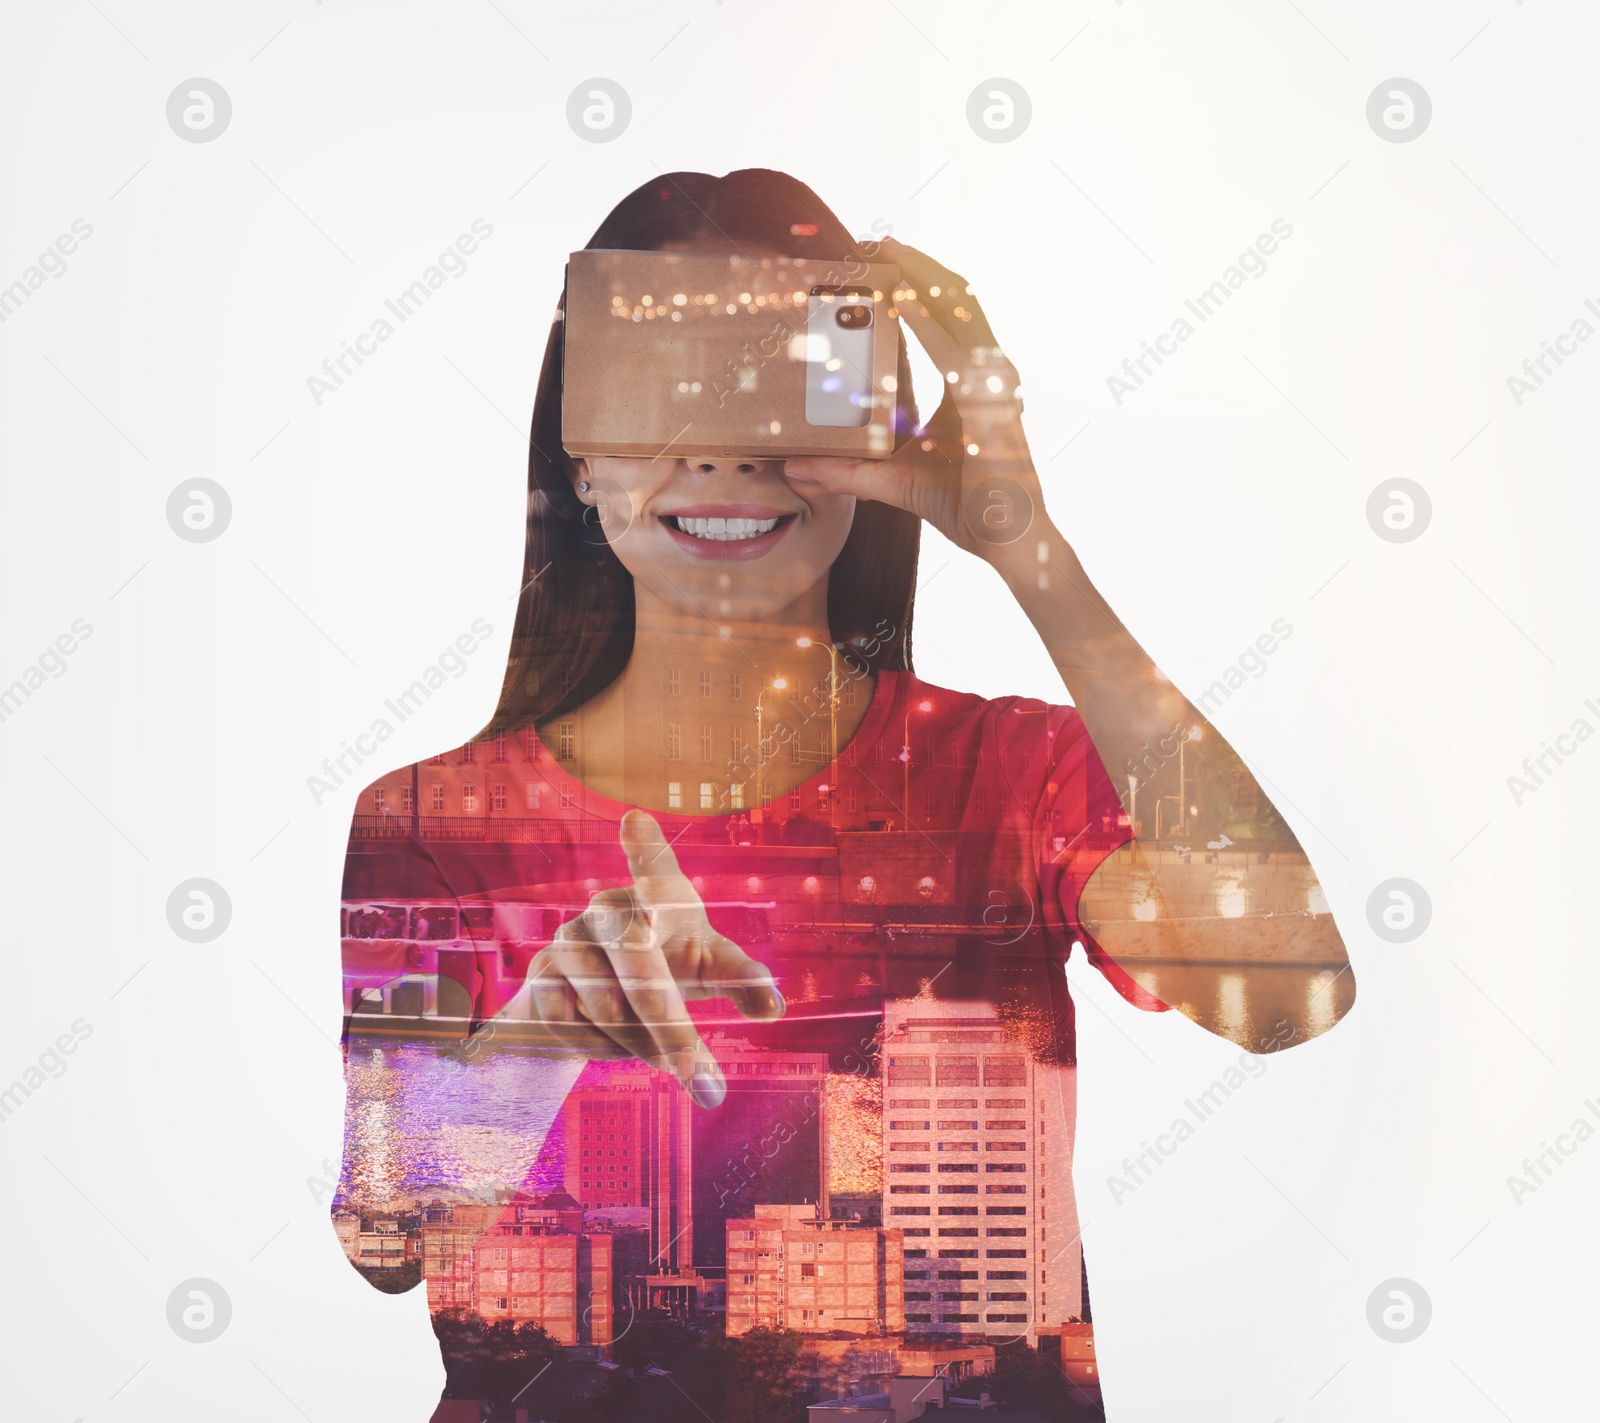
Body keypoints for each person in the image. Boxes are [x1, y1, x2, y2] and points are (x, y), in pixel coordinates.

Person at [333, 169, 1355, 1419]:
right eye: (661, 384)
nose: (719, 451)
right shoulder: (432, 822)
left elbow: (1285, 994)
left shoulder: (1014, 777)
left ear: (868, 431)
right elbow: (389, 1238)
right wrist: (532, 1047)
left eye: (779, 383)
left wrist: (1028, 548)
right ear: (580, 451)